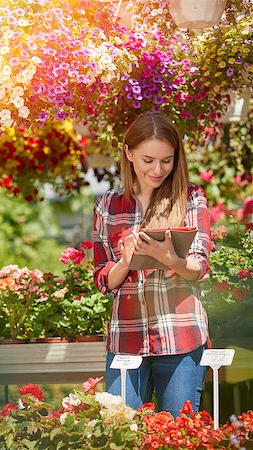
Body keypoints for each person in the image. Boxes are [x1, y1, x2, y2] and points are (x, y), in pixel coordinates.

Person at [93, 112, 212, 417]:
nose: (158, 169)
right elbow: (103, 278)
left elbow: (200, 267)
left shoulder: (191, 198)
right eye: (148, 160)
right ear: (129, 153)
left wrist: (169, 259)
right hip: (126, 339)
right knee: (121, 430)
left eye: (167, 160)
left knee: (176, 435)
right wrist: (125, 262)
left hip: (180, 335)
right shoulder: (108, 204)